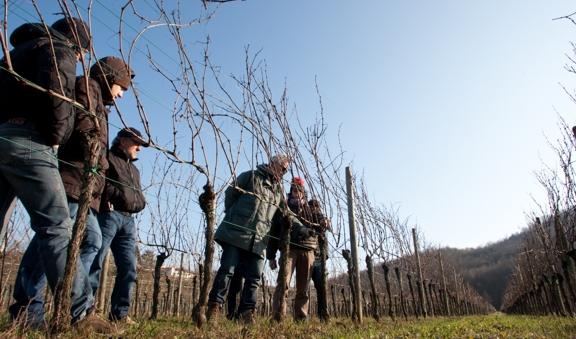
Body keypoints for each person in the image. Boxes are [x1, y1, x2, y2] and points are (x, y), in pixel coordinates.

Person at [9, 56, 135, 327]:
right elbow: (81, 129)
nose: (122, 95)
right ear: (109, 77)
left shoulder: (99, 100)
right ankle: (33, 305)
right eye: (121, 88)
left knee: (85, 239)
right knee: (56, 236)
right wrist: (97, 160)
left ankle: (64, 300)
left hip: (83, 186)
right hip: (71, 180)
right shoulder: (86, 87)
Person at [0, 17, 107, 330]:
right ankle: (82, 313)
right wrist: (58, 136)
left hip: (2, 135)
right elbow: (58, 94)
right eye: (82, 54)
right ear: (77, 43)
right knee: (57, 228)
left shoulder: (15, 53)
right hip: (30, 141)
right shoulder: (57, 47)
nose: (80, 60)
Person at [206, 155, 291, 324]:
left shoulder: (278, 191)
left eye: (286, 170)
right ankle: (214, 307)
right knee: (227, 270)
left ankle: (247, 312)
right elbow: (231, 194)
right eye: (283, 168)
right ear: (273, 164)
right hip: (237, 233)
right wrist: (235, 217)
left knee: (254, 277)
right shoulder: (251, 176)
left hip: (259, 239)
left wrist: (302, 226)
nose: (284, 172)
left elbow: (286, 213)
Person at [89, 127, 147, 324]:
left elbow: (137, 195)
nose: (139, 148)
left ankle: (120, 315)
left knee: (129, 268)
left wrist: (140, 203)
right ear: (122, 140)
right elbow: (101, 182)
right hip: (109, 214)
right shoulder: (108, 157)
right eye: (136, 142)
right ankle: (86, 311)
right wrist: (116, 197)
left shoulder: (135, 169)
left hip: (128, 220)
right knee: (95, 260)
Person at [268, 177, 320, 321]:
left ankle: (301, 317)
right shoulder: (283, 208)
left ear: (303, 192)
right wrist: (271, 256)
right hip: (288, 249)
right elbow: (274, 231)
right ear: (290, 190)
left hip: (307, 250)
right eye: (293, 189)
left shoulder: (310, 211)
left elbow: (320, 228)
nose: (296, 192)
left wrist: (323, 222)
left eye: (299, 189)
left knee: (303, 288)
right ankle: (278, 316)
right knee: (282, 284)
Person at [308, 199, 331, 322]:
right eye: (312, 207)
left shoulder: (320, 218)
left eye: (316, 207)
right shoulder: (305, 218)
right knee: (305, 287)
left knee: (321, 286)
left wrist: (325, 222)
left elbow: (326, 224)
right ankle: (304, 316)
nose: (314, 209)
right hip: (308, 255)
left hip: (319, 257)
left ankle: (323, 315)